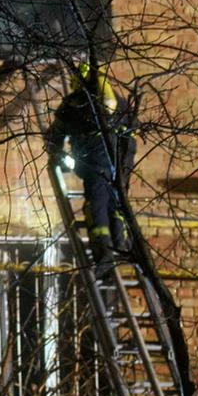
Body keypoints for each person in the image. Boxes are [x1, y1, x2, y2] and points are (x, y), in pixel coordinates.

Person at [48, 60, 138, 259]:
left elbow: (55, 134)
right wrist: (125, 166)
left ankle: (104, 253)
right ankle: (122, 247)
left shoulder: (74, 102)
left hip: (94, 163)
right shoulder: (119, 102)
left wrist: (58, 156)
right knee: (116, 205)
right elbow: (131, 134)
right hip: (120, 163)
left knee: (96, 206)